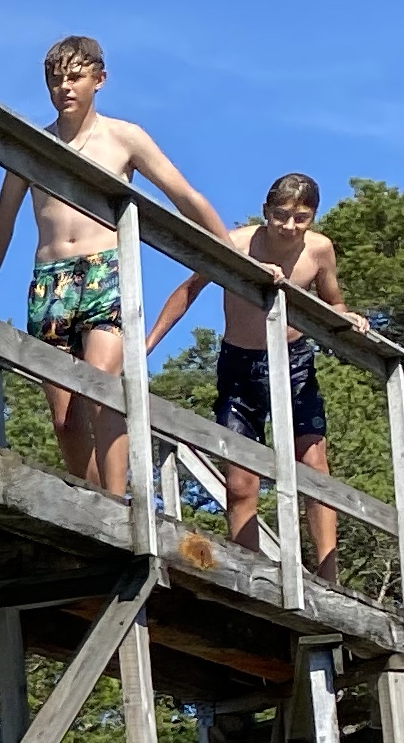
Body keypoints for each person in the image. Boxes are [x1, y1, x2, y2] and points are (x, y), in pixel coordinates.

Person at [0, 35, 232, 500]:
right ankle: (93, 505)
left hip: (105, 272)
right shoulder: (31, 145)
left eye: (75, 77)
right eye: (55, 79)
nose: (65, 87)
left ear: (99, 80)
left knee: (101, 388)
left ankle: (119, 500)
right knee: (65, 419)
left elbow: (184, 196)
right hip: (50, 280)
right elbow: (0, 224)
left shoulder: (124, 137)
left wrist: (231, 254)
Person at [145, 172, 348, 569]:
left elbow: (333, 300)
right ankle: (249, 569)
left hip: (293, 363)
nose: (289, 226)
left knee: (314, 467)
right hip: (240, 365)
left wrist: (349, 319)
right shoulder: (237, 244)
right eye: (281, 215)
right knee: (240, 481)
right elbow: (189, 289)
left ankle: (329, 576)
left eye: (301, 218)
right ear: (266, 211)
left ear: (313, 217)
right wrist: (148, 343)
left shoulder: (319, 250)